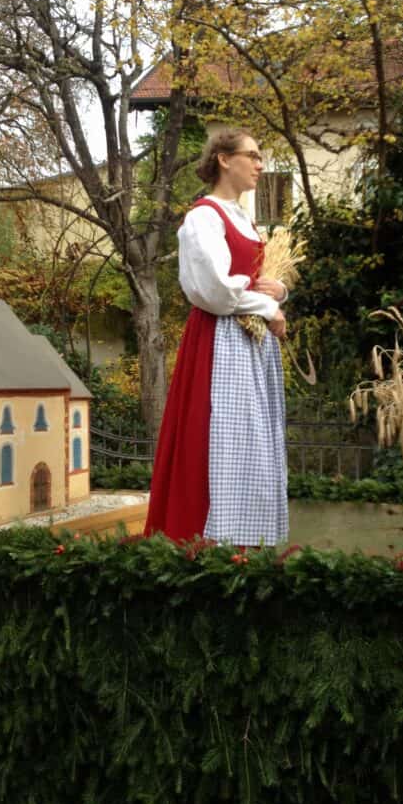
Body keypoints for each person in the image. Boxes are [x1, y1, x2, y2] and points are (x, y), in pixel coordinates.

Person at [144, 128, 289, 546]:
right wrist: (267, 308)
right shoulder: (204, 217)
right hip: (219, 340)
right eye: (253, 155)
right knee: (217, 438)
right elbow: (213, 290)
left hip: (248, 342)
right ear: (225, 159)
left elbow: (252, 281)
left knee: (250, 442)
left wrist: (278, 291)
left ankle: (245, 540)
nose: (260, 165)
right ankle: (204, 538)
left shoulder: (245, 219)